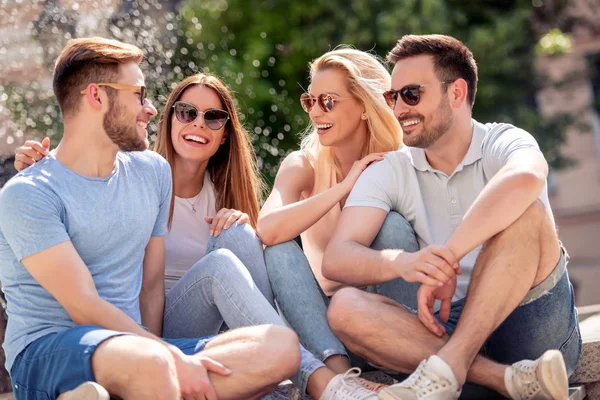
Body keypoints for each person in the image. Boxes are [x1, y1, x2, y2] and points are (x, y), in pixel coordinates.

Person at [14, 60, 381, 400]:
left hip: (197, 332)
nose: (198, 124)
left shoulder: (224, 196)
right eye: (187, 112)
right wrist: (44, 166)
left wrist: (243, 224)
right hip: (137, 331)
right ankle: (316, 380)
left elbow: (249, 289)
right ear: (169, 119)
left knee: (238, 237)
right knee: (221, 264)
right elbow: (86, 174)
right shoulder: (137, 174)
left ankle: (283, 373)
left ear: (225, 135)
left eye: (213, 118)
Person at [323, 34, 581, 400]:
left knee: (529, 211)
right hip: (447, 327)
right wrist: (406, 263)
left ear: (456, 93)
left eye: (411, 94)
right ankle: (502, 378)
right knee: (344, 307)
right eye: (392, 97)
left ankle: (450, 367)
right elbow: (337, 258)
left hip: (531, 320)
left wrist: (449, 257)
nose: (398, 110)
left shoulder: (502, 141)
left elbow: (525, 177)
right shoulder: (391, 169)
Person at [257, 48, 433, 387]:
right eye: (310, 101)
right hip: (329, 332)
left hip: (396, 330)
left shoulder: (402, 161)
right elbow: (267, 229)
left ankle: (405, 369)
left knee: (392, 224)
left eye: (328, 102)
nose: (314, 113)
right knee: (277, 250)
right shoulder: (304, 165)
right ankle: (341, 381)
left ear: (365, 106)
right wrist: (344, 186)